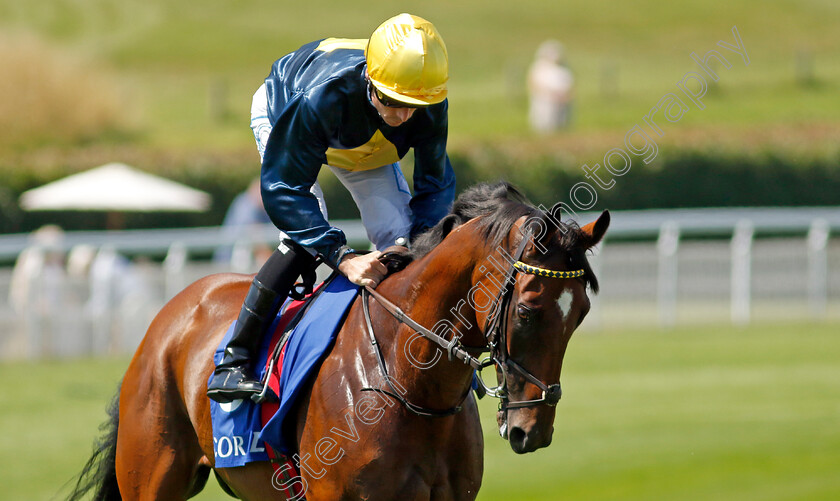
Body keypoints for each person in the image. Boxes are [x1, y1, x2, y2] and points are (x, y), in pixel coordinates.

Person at [207, 13, 455, 402]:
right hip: (287, 112)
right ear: (371, 82)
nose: (403, 116)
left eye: (413, 106)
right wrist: (342, 256)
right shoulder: (323, 96)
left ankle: (431, 345)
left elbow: (435, 186)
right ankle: (233, 361)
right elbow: (284, 188)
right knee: (304, 237)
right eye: (393, 102)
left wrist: (418, 243)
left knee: (406, 235)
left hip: (361, 137)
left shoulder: (426, 99)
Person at [527, 40, 573, 132]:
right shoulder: (539, 67)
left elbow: (570, 83)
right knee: (545, 123)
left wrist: (566, 95)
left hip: (561, 99)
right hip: (545, 101)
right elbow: (533, 83)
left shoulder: (563, 68)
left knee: (561, 122)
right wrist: (549, 94)